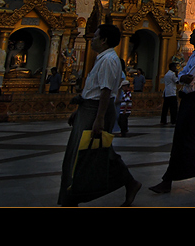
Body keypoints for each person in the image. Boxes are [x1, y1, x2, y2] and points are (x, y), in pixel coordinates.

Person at [57, 23, 141, 207]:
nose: (92, 39)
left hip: (98, 110)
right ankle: (130, 183)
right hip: (90, 108)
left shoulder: (109, 60)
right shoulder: (102, 58)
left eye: (95, 36)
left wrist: (99, 118)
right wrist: (79, 111)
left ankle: (74, 195)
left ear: (103, 40)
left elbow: (105, 91)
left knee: (86, 153)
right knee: (99, 151)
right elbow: (94, 89)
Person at [149, 23, 195, 193]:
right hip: (191, 99)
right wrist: (182, 77)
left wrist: (182, 77)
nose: (191, 34)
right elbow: (181, 75)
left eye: (194, 32)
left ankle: (168, 180)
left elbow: (189, 78)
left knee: (184, 136)